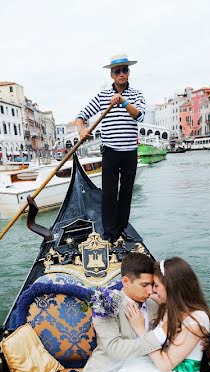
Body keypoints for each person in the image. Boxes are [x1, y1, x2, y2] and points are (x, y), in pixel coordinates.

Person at [75, 54, 146, 244]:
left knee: (126, 193)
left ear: (128, 73)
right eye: (118, 71)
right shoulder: (102, 96)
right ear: (112, 75)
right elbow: (81, 115)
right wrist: (81, 130)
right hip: (111, 151)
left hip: (130, 151)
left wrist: (123, 102)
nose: (122, 74)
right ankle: (109, 233)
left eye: (125, 70)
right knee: (109, 193)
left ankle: (122, 229)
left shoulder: (137, 95)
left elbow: (139, 116)